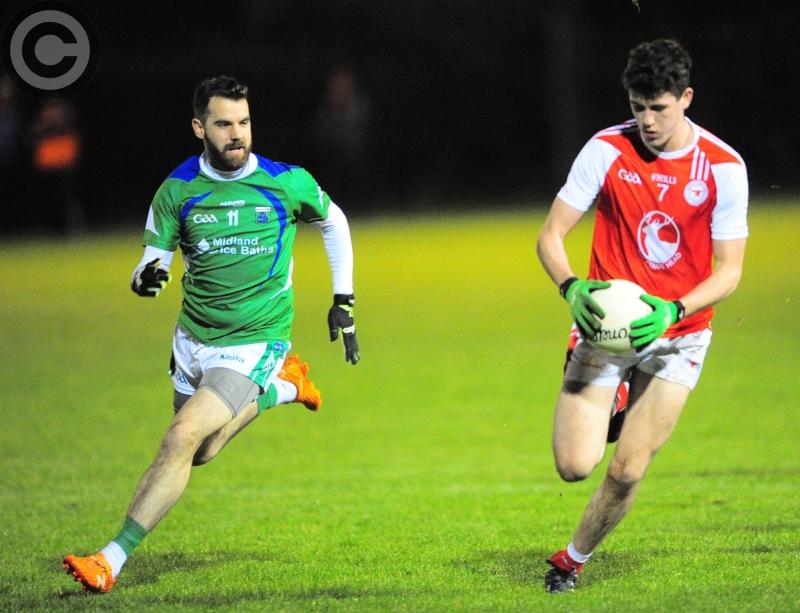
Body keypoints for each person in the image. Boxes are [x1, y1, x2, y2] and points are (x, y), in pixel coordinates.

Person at [63, 75, 360, 593]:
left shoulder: (284, 181)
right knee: (200, 451)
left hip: (256, 338)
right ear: (200, 128)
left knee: (180, 437)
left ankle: (110, 559)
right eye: (224, 124)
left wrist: (344, 301)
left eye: (243, 122)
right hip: (194, 338)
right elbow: (151, 261)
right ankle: (284, 387)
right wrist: (145, 278)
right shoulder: (177, 190)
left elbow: (334, 221)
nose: (237, 133)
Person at [536, 39, 748, 593]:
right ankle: (618, 390)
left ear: (686, 98)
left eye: (659, 107)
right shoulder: (607, 149)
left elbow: (729, 272)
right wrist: (571, 287)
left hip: (680, 335)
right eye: (637, 107)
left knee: (628, 469)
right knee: (573, 465)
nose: (648, 121)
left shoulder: (723, 167)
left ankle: (571, 562)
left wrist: (674, 309)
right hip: (606, 330)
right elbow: (551, 235)